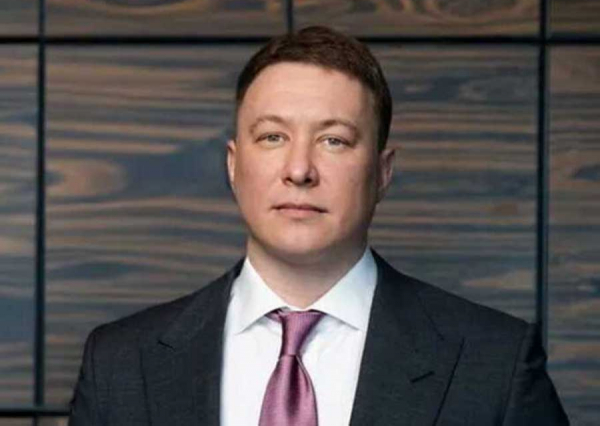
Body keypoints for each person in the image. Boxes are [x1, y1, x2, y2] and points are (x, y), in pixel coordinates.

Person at [69, 26, 568, 426]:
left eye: (334, 141)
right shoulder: (119, 364)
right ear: (233, 165)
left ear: (382, 172)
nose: (299, 169)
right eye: (272, 137)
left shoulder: (496, 363)